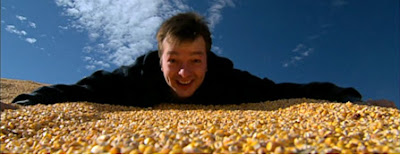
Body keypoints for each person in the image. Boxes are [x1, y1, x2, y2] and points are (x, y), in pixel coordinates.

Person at [11, 12, 363, 108]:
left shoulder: (227, 82)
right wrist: (27, 102)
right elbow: (86, 89)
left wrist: (348, 97)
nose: (184, 72)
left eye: (196, 60)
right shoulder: (135, 78)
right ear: (158, 58)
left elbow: (282, 90)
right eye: (173, 60)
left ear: (208, 58)